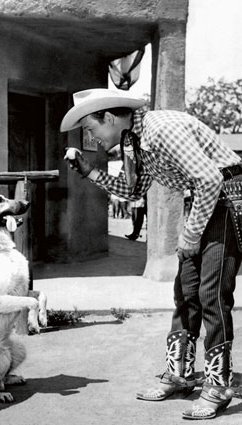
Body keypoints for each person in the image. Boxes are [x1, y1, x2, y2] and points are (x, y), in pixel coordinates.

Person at [61, 88, 242, 420]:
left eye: (91, 128)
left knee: (212, 294)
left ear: (110, 118)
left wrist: (189, 234)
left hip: (229, 199)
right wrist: (89, 171)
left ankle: (218, 385)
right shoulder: (133, 140)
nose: (92, 137)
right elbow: (133, 190)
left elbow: (210, 178)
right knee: (186, 293)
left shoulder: (161, 129)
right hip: (207, 202)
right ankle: (181, 374)